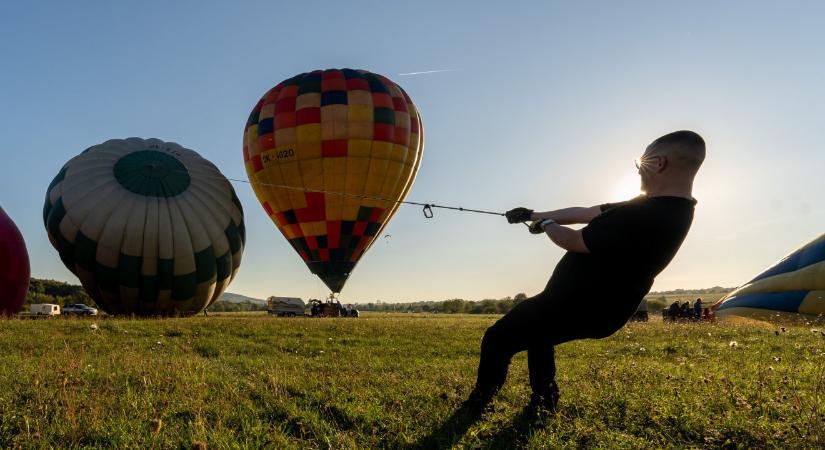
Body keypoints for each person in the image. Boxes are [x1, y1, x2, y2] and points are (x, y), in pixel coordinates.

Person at [466, 130, 705, 414]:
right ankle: (545, 400)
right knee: (540, 335)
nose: (639, 171)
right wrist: (533, 214)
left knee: (498, 338)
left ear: (660, 163)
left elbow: (573, 240)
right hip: (602, 309)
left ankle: (481, 401)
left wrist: (547, 226)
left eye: (641, 163)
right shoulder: (672, 209)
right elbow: (589, 211)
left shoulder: (645, 215)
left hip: (578, 305)